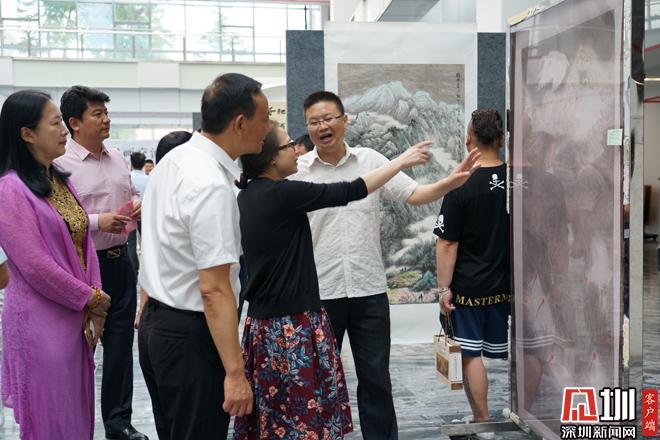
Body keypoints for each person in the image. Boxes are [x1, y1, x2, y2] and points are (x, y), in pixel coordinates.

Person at [291, 91, 480, 439]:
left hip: (368, 291)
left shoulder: (370, 160)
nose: (322, 127)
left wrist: (450, 183)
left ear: (344, 120)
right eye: (313, 122)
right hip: (319, 293)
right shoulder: (298, 171)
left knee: (376, 378)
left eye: (328, 118)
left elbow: (414, 194)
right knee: (319, 381)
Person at [232, 122, 431, 439]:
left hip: (262, 328)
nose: (297, 150)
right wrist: (400, 161)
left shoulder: (247, 196)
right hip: (292, 327)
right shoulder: (283, 193)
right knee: (302, 418)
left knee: (274, 420)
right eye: (289, 145)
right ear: (272, 157)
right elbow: (351, 190)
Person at [138, 73, 268, 440]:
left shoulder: (174, 161)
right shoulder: (209, 183)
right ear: (240, 123)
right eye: (265, 118)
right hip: (191, 336)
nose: (268, 127)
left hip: (157, 325)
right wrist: (235, 373)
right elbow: (214, 289)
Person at [0, 89, 110, 439]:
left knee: (75, 415)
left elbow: (84, 241)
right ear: (27, 134)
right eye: (55, 123)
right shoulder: (10, 189)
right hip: (40, 322)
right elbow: (34, 265)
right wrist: (90, 297)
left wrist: (95, 301)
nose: (64, 130)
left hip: (73, 316)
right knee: (51, 420)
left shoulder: (58, 180)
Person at [55, 85, 146, 440]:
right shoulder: (60, 164)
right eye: (98, 114)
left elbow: (131, 194)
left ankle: (119, 423)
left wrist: (135, 206)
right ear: (75, 122)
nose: (106, 119)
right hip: (84, 267)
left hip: (121, 262)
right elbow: (56, 219)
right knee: (80, 348)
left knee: (121, 348)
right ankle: (73, 424)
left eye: (106, 112)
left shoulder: (117, 157)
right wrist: (97, 221)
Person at [435, 109, 509, 427]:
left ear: (468, 141)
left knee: (470, 354)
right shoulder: (521, 181)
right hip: (512, 285)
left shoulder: (460, 184)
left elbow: (447, 243)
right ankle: (529, 412)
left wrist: (443, 288)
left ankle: (481, 418)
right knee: (527, 350)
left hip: (470, 288)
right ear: (502, 140)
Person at [134, 130, 192, 330]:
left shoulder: (156, 190)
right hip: (177, 312)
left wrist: (142, 309)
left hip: (161, 310)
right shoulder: (190, 195)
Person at [128, 152, 149, 274]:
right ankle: (147, 269)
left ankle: (134, 269)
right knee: (146, 242)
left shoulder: (128, 177)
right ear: (143, 163)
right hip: (144, 214)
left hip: (130, 214)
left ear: (131, 163)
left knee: (131, 243)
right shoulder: (148, 178)